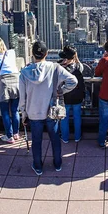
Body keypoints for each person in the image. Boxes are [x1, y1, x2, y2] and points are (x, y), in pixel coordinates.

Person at [19, 41, 77, 175]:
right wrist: (60, 91)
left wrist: (23, 113)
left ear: (32, 54)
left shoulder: (24, 72)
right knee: (55, 139)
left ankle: (38, 166)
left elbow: (22, 97)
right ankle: (57, 164)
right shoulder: (55, 67)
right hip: (52, 111)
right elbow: (73, 81)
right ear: (46, 54)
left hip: (33, 113)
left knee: (36, 141)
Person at [0, 38, 20, 143]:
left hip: (4, 83)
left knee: (5, 111)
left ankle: (9, 135)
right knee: (15, 110)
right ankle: (16, 133)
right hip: (16, 81)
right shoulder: (11, 53)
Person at [59, 45, 86, 143]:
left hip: (65, 97)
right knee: (77, 117)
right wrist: (75, 57)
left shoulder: (61, 68)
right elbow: (79, 65)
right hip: (77, 96)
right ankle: (77, 137)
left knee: (64, 118)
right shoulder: (79, 66)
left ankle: (65, 138)